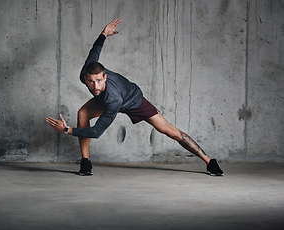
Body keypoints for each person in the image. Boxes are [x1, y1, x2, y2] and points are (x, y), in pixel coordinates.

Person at [46, 18, 223, 177]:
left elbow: (97, 132)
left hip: (132, 100)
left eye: (99, 81)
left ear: (105, 76)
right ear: (85, 78)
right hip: (109, 99)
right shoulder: (87, 73)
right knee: (83, 113)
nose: (95, 86)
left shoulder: (113, 98)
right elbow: (95, 51)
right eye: (91, 82)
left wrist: (67, 129)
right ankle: (86, 163)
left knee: (169, 131)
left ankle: (209, 161)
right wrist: (103, 34)